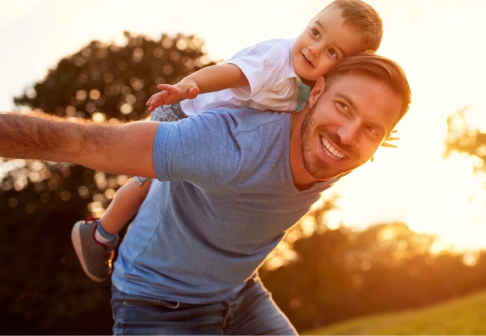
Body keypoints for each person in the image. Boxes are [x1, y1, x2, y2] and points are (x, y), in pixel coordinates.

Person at [0, 52, 411, 334]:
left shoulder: (341, 151)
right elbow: (84, 142)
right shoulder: (227, 147)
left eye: (372, 129)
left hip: (238, 291)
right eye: (344, 106)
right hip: (155, 300)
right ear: (315, 92)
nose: (348, 135)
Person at [72, 0, 385, 283]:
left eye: (333, 52)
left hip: (218, 136)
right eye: (315, 32)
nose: (315, 48)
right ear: (310, 21)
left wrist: (371, 130)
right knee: (147, 182)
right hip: (183, 112)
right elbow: (230, 73)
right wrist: (191, 83)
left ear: (346, 68)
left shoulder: (316, 85)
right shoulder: (274, 60)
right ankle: (99, 234)